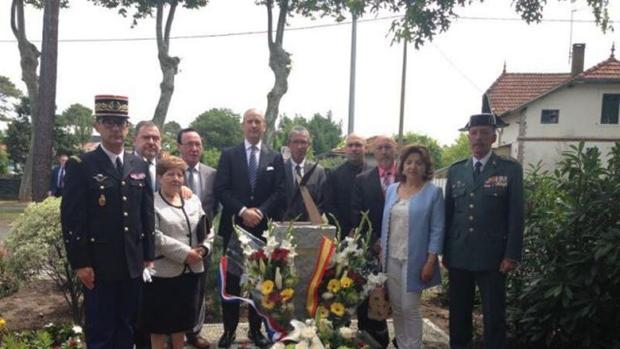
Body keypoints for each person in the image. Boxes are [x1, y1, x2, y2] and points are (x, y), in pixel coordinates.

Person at [61, 95, 154, 349]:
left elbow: (145, 213)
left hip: (132, 263)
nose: (115, 128)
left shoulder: (139, 164)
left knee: (127, 326)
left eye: (120, 122)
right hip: (99, 266)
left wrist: (148, 254)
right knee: (101, 331)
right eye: (109, 122)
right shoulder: (82, 165)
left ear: (127, 126)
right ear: (97, 126)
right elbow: (72, 218)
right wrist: (80, 262)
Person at [443, 113, 524, 349]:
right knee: (458, 314)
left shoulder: (510, 169)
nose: (478, 138)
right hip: (459, 255)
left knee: (494, 316)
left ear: (493, 136)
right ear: (469, 136)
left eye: (484, 133)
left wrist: (512, 254)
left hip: (493, 257)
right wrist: (445, 252)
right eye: (474, 133)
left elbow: (516, 215)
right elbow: (448, 214)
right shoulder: (457, 170)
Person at [214, 108, 285, 348]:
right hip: (235, 227)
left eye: (258, 122)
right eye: (249, 122)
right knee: (232, 282)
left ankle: (256, 330)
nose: (254, 126)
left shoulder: (274, 157)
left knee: (260, 283)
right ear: (243, 126)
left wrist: (261, 212)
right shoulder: (229, 155)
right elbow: (221, 189)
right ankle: (229, 331)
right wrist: (243, 211)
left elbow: (280, 191)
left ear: (265, 126)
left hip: (263, 231)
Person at [142, 155, 213, 349]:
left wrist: (204, 249)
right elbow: (155, 236)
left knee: (180, 322)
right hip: (163, 273)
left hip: (190, 272)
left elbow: (207, 229)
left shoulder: (193, 201)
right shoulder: (151, 203)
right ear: (159, 177)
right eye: (170, 174)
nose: (175, 178)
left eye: (179, 174)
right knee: (158, 324)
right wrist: (185, 253)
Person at [379, 144, 445, 349]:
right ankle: (401, 344)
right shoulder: (392, 189)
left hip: (415, 259)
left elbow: (437, 228)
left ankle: (414, 346)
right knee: (397, 308)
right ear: (402, 165)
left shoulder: (433, 192)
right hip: (391, 257)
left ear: (426, 167)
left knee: (410, 307)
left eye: (418, 163)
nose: (413, 167)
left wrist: (431, 261)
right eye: (409, 162)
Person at [351, 135, 398, 348]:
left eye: (388, 147)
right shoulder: (362, 179)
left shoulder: (407, 176)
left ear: (395, 149)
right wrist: (373, 241)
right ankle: (370, 339)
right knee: (369, 294)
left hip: (400, 248)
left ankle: (402, 339)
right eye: (380, 148)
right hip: (372, 247)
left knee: (400, 297)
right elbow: (358, 214)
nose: (385, 151)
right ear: (374, 151)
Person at [177, 127, 217, 349]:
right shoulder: (171, 172)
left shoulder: (212, 174)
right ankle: (173, 333)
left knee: (198, 289)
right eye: (189, 144)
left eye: (198, 144)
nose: (194, 148)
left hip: (202, 242)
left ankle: (194, 333)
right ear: (179, 147)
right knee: (172, 287)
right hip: (175, 242)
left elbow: (215, 207)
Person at [324, 134, 371, 237]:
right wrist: (345, 230)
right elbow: (329, 205)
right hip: (342, 234)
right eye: (350, 145)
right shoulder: (334, 175)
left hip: (369, 235)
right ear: (345, 149)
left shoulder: (374, 175)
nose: (354, 149)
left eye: (358, 145)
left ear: (366, 148)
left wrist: (362, 230)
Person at [282, 126, 327, 221]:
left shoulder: (318, 171)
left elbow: (322, 202)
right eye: (296, 142)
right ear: (289, 144)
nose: (299, 146)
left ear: (309, 145)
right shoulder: (280, 169)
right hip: (283, 226)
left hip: (310, 227)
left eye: (303, 142)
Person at [133, 120, 162, 192]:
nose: (151, 142)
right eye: (146, 137)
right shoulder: (124, 165)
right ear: (134, 140)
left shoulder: (166, 168)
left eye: (155, 138)